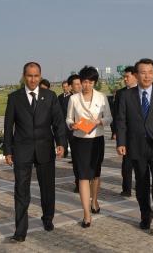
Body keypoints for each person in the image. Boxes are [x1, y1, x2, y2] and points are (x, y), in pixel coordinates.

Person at [3, 62, 66, 242]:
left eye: (36, 75)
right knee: (21, 191)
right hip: (21, 150)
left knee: (47, 189)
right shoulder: (14, 98)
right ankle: (20, 230)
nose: (33, 79)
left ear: (40, 76)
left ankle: (48, 219)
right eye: (29, 76)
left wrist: (61, 142)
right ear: (24, 76)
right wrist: (7, 150)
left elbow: (58, 122)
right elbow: (8, 126)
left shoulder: (50, 96)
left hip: (45, 149)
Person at [116, 58, 153, 235]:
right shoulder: (126, 95)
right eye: (143, 72)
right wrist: (121, 142)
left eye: (150, 72)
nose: (147, 76)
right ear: (136, 75)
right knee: (141, 185)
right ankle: (145, 216)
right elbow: (121, 120)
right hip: (136, 146)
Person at [66, 66, 112, 228]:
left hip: (97, 139)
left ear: (95, 82)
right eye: (84, 82)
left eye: (91, 82)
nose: (87, 85)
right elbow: (68, 119)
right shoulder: (73, 99)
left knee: (95, 174)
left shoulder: (101, 97)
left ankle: (95, 200)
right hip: (80, 141)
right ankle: (86, 214)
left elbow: (109, 118)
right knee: (83, 176)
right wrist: (73, 125)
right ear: (80, 82)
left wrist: (99, 122)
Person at [113, 66, 141, 197]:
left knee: (143, 163)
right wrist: (117, 134)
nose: (125, 79)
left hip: (142, 135)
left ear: (135, 76)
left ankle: (143, 184)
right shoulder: (121, 93)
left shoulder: (143, 90)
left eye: (127, 77)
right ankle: (127, 188)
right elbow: (117, 116)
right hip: (127, 135)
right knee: (127, 164)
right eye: (124, 77)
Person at [67, 74, 83, 193]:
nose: (79, 86)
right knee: (77, 161)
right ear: (71, 87)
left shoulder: (89, 97)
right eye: (76, 84)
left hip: (90, 135)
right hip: (74, 135)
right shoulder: (66, 99)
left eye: (80, 83)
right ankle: (79, 183)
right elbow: (64, 118)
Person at [58, 80, 72, 158]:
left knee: (71, 138)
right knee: (63, 137)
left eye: (66, 86)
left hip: (70, 121)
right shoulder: (59, 97)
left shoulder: (73, 96)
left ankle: (74, 155)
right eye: (63, 87)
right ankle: (65, 152)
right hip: (62, 121)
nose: (65, 88)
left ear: (69, 87)